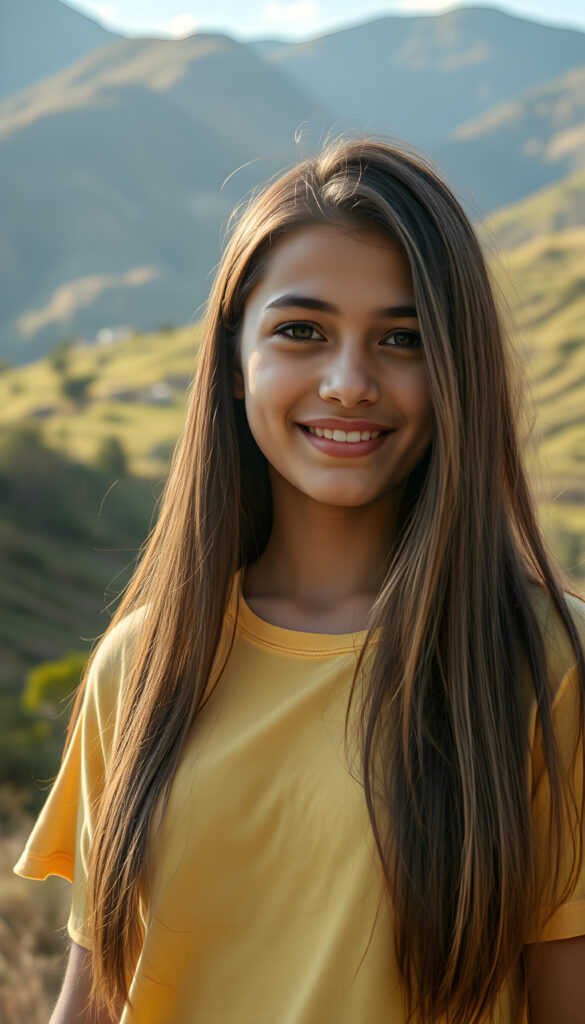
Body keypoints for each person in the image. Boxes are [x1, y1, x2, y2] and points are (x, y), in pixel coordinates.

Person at [14, 137, 585, 1024]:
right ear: (236, 363)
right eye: (301, 331)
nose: (349, 382)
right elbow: (94, 1000)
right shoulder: (144, 662)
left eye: (403, 338)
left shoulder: (548, 661)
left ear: (455, 374)